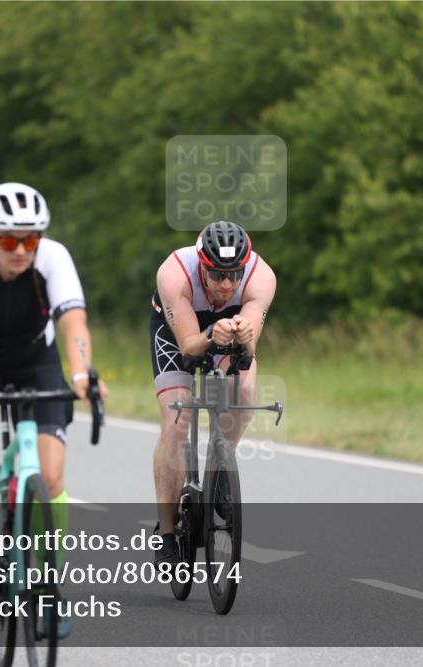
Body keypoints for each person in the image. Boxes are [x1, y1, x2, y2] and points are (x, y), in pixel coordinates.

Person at [0, 182, 107, 553]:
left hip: (35, 358)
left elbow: (72, 321)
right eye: (9, 242)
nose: (20, 251)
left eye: (29, 242)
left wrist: (81, 373)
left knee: (50, 479)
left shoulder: (53, 257)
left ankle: (52, 589)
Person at [149, 221, 276, 566]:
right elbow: (190, 346)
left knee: (244, 386)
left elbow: (247, 351)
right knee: (178, 420)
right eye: (217, 274)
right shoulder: (174, 272)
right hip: (179, 333)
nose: (226, 284)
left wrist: (244, 336)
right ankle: (164, 531)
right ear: (200, 263)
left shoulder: (261, 277)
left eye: (234, 274)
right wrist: (210, 334)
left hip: (228, 334)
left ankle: (221, 466)